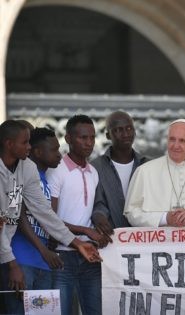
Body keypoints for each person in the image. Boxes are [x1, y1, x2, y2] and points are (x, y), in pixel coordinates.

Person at [0, 120, 101, 293]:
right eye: (25, 142)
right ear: (9, 144)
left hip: (8, 254)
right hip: (12, 257)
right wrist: (13, 264)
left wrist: (78, 243)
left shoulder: (27, 167)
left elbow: (43, 211)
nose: (29, 147)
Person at [47, 115, 111, 315]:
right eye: (83, 137)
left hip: (90, 256)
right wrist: (86, 231)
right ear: (68, 139)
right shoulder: (55, 171)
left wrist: (98, 228)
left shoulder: (93, 172)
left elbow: (91, 210)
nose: (89, 142)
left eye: (92, 137)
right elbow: (49, 218)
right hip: (62, 256)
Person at [1, 128, 64, 314]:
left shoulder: (42, 179)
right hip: (22, 259)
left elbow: (47, 217)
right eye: (54, 149)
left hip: (44, 262)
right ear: (37, 152)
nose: (59, 155)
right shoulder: (18, 177)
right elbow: (18, 215)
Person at [91, 111, 147, 236]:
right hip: (110, 240)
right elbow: (97, 203)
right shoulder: (96, 167)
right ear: (107, 135)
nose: (125, 134)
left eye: (129, 129)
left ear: (135, 132)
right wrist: (99, 216)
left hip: (144, 239)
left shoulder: (147, 165)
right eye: (118, 130)